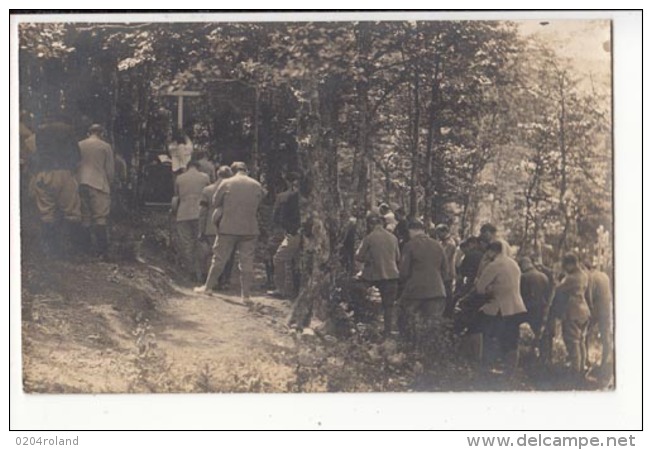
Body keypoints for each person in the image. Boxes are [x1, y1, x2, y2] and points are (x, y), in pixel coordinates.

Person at [194, 162, 264, 304]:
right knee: (247, 261)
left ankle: (208, 287)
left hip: (228, 227)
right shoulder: (257, 185)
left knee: (219, 258)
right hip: (250, 228)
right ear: (246, 170)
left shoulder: (226, 183)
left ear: (233, 171)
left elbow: (215, 202)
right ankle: (246, 295)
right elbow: (260, 203)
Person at [30, 113, 84, 258]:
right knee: (72, 212)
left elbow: (35, 154)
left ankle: (52, 251)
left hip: (44, 173)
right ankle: (74, 251)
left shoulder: (40, 131)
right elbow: (77, 155)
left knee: (47, 213)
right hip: (64, 172)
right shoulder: (68, 130)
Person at [475, 240, 527, 373]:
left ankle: (489, 366)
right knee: (512, 338)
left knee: (490, 335)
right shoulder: (514, 263)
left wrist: (490, 288)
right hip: (516, 306)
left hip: (499, 307)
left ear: (492, 251)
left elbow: (480, 288)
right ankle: (511, 368)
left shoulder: (494, 265)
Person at [398, 219, 449, 352]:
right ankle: (431, 354)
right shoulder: (438, 245)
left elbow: (403, 272)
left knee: (407, 320)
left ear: (411, 231)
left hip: (415, 291)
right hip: (437, 291)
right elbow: (446, 271)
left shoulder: (409, 245)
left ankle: (409, 349)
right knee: (432, 325)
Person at [354, 212, 401, 337]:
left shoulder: (369, 238)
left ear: (370, 224)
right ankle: (387, 331)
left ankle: (364, 324)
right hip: (391, 275)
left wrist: (370, 258)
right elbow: (397, 257)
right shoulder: (393, 238)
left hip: (373, 276)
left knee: (359, 293)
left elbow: (359, 257)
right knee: (388, 306)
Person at [547, 253, 592, 379]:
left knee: (573, 342)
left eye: (566, 265)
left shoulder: (571, 278)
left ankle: (575, 372)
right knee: (581, 341)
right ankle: (581, 369)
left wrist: (556, 280)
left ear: (571, 264)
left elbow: (558, 289)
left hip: (573, 312)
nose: (564, 268)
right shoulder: (584, 275)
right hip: (584, 311)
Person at [77, 124, 115, 258]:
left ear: (89, 133)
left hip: (81, 181)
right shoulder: (105, 146)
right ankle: (102, 252)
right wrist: (110, 183)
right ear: (102, 133)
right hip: (98, 183)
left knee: (85, 216)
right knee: (100, 218)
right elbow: (109, 170)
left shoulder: (80, 144)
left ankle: (84, 250)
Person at [172, 160, 210, 281]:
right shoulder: (205, 177)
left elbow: (176, 196)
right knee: (201, 242)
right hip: (200, 213)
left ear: (187, 167)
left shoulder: (179, 178)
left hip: (183, 213)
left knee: (187, 243)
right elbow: (209, 194)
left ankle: (191, 272)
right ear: (198, 167)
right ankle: (204, 272)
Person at [197, 165, 234, 287]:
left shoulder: (207, 190)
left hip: (211, 226)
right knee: (227, 254)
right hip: (229, 226)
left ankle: (211, 280)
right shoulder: (233, 191)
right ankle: (224, 280)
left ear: (217, 175)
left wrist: (201, 230)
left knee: (213, 254)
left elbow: (202, 212)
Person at [268, 172, 302, 300]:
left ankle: (281, 289)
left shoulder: (287, 197)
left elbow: (278, 218)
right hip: (311, 235)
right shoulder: (313, 198)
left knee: (279, 258)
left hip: (294, 233)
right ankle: (295, 289)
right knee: (298, 261)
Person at [585, 263, 614, 382]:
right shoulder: (605, 276)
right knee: (605, 335)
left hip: (596, 309)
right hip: (606, 308)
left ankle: (586, 359)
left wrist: (589, 310)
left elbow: (590, 296)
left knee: (585, 333)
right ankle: (605, 361)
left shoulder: (590, 277)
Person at [519, 256, 551, 341]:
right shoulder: (544, 276)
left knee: (528, 334)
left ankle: (530, 351)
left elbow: (522, 294)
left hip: (529, 309)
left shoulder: (524, 277)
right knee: (538, 332)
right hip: (541, 308)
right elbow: (548, 294)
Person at [434, 223, 458, 317]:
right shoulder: (441, 243)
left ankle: (448, 313)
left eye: (439, 233)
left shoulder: (450, 244)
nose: (438, 235)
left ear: (444, 232)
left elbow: (444, 257)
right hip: (441, 272)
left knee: (448, 293)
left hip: (447, 272)